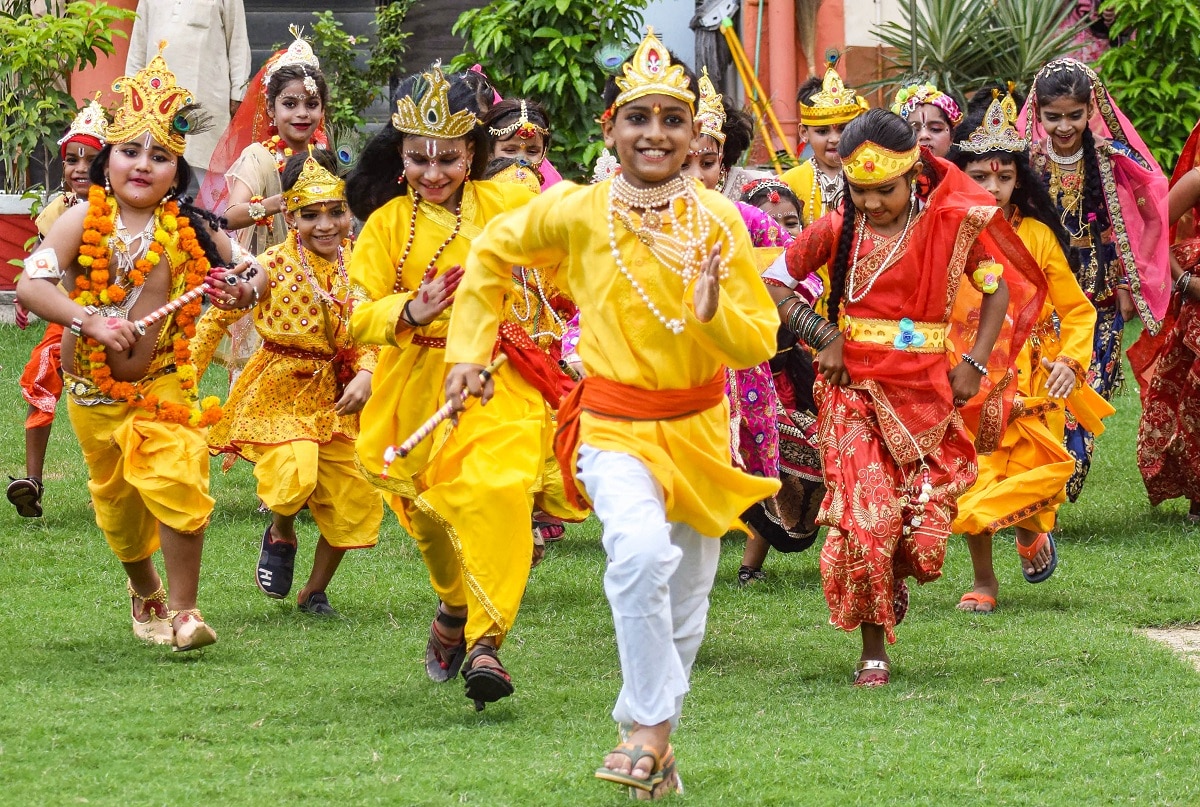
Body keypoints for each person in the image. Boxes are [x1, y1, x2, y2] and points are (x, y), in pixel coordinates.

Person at [444, 30, 780, 797]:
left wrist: (711, 312)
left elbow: (757, 336)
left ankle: (655, 748)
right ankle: (649, 729)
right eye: (639, 119)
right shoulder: (577, 211)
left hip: (698, 428)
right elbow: (492, 251)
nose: (655, 134)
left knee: (688, 601)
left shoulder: (720, 223)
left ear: (695, 133)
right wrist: (467, 351)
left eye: (671, 120)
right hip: (614, 424)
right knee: (636, 557)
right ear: (609, 129)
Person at [769, 109, 1044, 686]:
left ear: (913, 172)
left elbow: (997, 293)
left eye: (884, 190)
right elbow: (771, 283)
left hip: (927, 394)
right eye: (860, 190)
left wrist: (973, 363)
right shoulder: (840, 226)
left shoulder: (952, 224)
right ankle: (874, 650)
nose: (871, 202)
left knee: (917, 536)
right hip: (852, 394)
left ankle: (889, 587)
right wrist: (824, 338)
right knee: (868, 517)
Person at [15, 46, 261, 652]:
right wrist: (88, 322)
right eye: (130, 151)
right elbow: (30, 282)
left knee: (178, 477)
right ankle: (145, 589)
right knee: (121, 517)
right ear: (107, 160)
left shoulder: (192, 228)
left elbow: (256, 272)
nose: (144, 164)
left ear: (179, 169)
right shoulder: (78, 220)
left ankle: (183, 612)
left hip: (163, 385)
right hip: (92, 394)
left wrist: (239, 291)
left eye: (161, 155)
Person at [345, 64, 542, 702]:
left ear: (473, 153)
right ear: (400, 156)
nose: (434, 173)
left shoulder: (510, 202)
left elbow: (566, 247)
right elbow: (354, 314)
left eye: (448, 159)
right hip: (416, 383)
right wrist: (409, 309)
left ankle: (487, 644)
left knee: (499, 490)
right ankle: (454, 605)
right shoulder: (383, 226)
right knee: (428, 516)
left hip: (495, 375)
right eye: (419, 159)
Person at [192, 150, 383, 616]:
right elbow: (218, 317)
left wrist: (367, 372)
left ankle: (313, 592)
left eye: (335, 212)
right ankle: (281, 530)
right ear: (291, 217)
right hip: (278, 387)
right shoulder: (270, 263)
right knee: (294, 473)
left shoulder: (359, 265)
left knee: (353, 499)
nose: (326, 225)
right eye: (310, 214)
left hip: (337, 393)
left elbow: (374, 329)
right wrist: (182, 379)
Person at [950, 87, 1113, 612]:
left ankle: (1029, 533)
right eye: (980, 176)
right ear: (960, 176)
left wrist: (1070, 360)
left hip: (1032, 380)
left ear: (1019, 178)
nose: (993, 187)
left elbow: (1079, 310)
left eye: (1004, 176)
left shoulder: (1039, 237)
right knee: (975, 477)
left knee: (1027, 480)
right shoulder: (945, 236)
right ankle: (984, 581)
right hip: (967, 377)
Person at [1021, 58, 1170, 499]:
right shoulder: (1025, 161)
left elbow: (1153, 194)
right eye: (1053, 117)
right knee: (1041, 385)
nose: (1064, 126)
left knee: (1086, 388)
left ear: (1092, 110)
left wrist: (1131, 277)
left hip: (1101, 297)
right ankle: (1039, 484)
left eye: (1074, 115)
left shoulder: (1110, 157)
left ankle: (1065, 472)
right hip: (1043, 297)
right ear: (1038, 113)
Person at [8, 96, 108, 519]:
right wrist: (30, 295)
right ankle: (33, 480)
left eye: (91, 159)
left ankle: (109, 485)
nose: (80, 168)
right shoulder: (57, 213)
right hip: (68, 315)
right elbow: (45, 264)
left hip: (118, 318)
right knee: (42, 379)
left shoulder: (121, 210)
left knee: (112, 402)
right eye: (71, 159)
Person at [738, 177, 827, 577]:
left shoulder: (805, 278)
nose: (778, 232)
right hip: (734, 392)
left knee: (789, 461)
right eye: (766, 223)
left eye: (790, 223)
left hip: (787, 387)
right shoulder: (730, 275)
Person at [1131, 118, 1200, 523]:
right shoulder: (1196, 180)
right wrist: (1187, 281)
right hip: (1197, 312)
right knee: (1194, 402)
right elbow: (1154, 229)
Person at [126, 0, 251, 191]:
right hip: (156, 99)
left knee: (213, 173)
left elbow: (238, 41)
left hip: (207, 96)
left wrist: (238, 94)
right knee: (157, 166)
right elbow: (138, 45)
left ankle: (220, 220)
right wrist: (131, 93)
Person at [778, 57, 869, 317]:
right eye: (822, 131)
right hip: (805, 300)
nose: (834, 139)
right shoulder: (789, 182)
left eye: (843, 128)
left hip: (859, 296)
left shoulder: (870, 180)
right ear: (804, 133)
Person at [890, 80, 963, 159]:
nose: (924, 135)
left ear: (952, 136)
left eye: (935, 129)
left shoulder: (965, 170)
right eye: (913, 130)